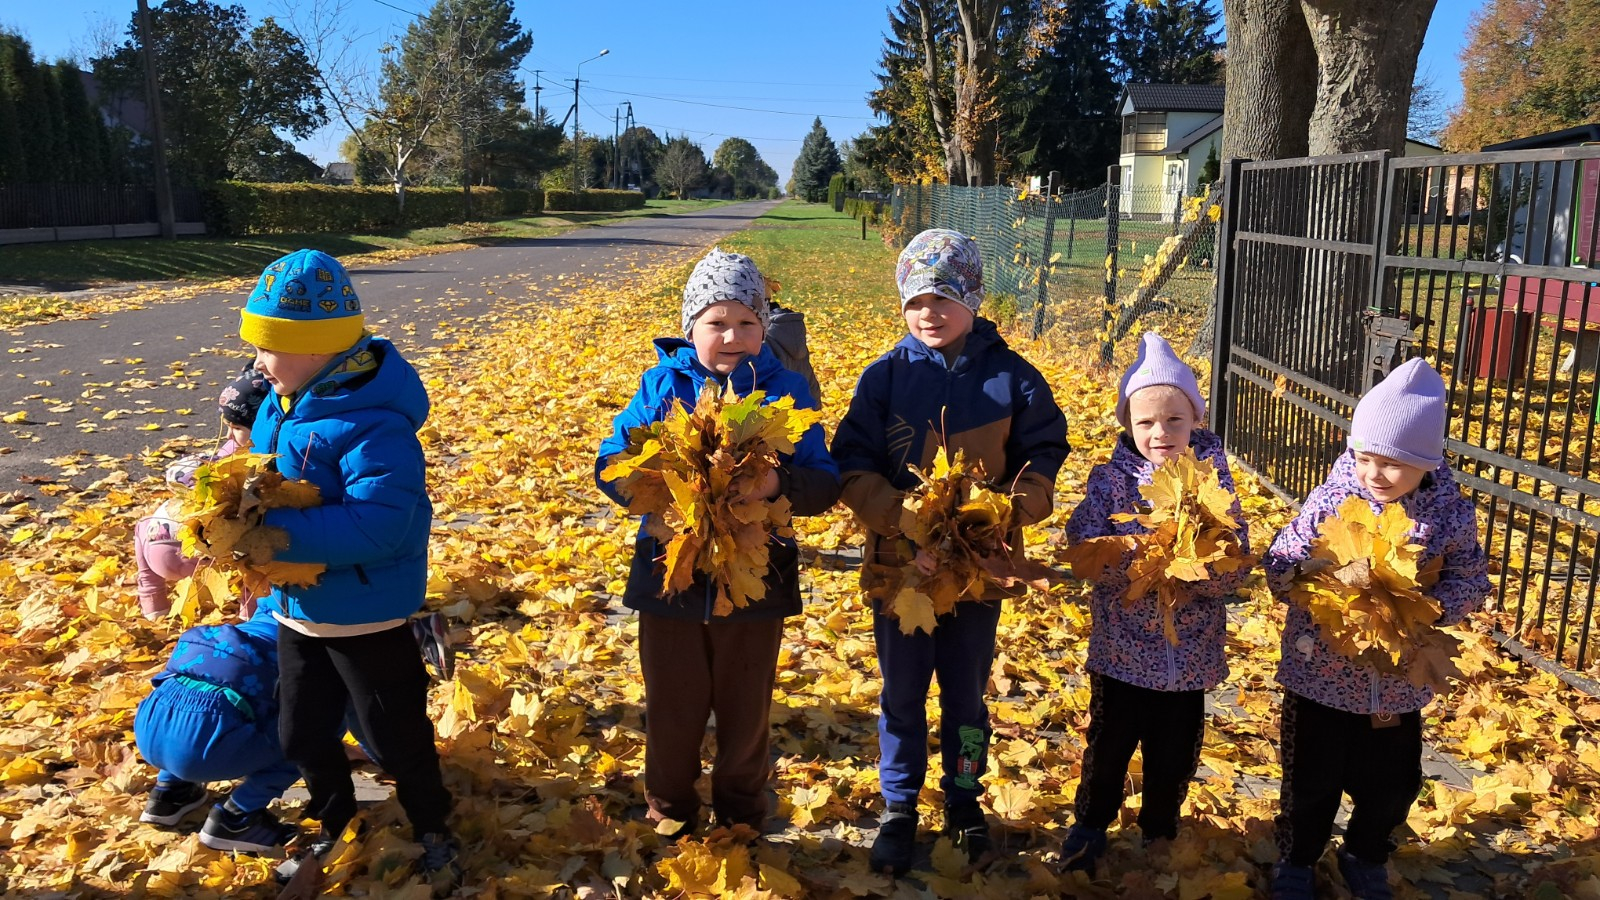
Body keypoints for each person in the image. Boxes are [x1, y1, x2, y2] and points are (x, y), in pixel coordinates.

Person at [831, 228, 1069, 874]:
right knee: (901, 694)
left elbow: (1045, 452)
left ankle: (964, 799)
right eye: (915, 301)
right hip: (901, 571)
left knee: (965, 696)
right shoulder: (884, 378)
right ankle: (899, 807)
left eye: (944, 297)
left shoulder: (1011, 379)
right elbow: (849, 462)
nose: (929, 313)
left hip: (976, 575)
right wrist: (895, 514)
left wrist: (1014, 509)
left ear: (975, 299)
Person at [596, 247, 840, 839]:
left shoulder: (789, 394)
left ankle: (741, 809)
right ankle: (669, 807)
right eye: (716, 322)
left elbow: (824, 479)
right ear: (690, 329)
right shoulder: (660, 386)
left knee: (746, 704)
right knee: (673, 703)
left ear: (764, 327)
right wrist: (647, 485)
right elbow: (610, 462)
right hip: (669, 572)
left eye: (747, 322)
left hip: (759, 570)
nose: (732, 334)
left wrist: (778, 481)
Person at [236, 248, 457, 885]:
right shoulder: (284, 406)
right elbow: (264, 479)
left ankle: (433, 823)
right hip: (299, 614)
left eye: (269, 346)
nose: (257, 361)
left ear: (317, 349)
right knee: (301, 735)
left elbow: (380, 524)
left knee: (396, 740)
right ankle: (337, 821)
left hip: (367, 615)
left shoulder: (375, 428)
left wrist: (270, 536)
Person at [1264, 358, 1489, 900]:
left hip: (1395, 683)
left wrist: (1427, 607)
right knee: (1309, 781)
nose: (1374, 474)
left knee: (1392, 784)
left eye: (1392, 464)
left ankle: (1365, 853)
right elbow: (1282, 558)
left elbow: (1471, 580)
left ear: (1426, 463)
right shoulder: (1331, 500)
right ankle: (1297, 859)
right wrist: (1304, 575)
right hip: (1317, 674)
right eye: (1364, 457)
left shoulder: (1449, 517)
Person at [1058, 332, 1250, 874]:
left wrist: (1198, 573)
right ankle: (1091, 822)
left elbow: (1237, 557)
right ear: (1128, 426)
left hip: (1189, 655)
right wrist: (1140, 562)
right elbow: (1083, 544)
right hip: (1122, 648)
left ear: (1196, 420)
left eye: (1173, 420)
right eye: (1145, 423)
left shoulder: (1216, 482)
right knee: (1109, 742)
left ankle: (1160, 827)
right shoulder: (1110, 481)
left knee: (1174, 750)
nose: (1159, 433)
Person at [134, 601, 299, 853]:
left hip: (149, 730)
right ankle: (237, 818)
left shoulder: (233, 634)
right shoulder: (297, 654)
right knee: (310, 733)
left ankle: (169, 793)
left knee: (204, 709)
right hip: (205, 749)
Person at [133, 368, 270, 620]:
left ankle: (154, 606)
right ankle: (249, 615)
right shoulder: (253, 457)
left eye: (236, 428)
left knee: (142, 527)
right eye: (227, 427)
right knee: (254, 553)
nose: (228, 435)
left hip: (158, 546)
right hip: (203, 553)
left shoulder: (230, 455)